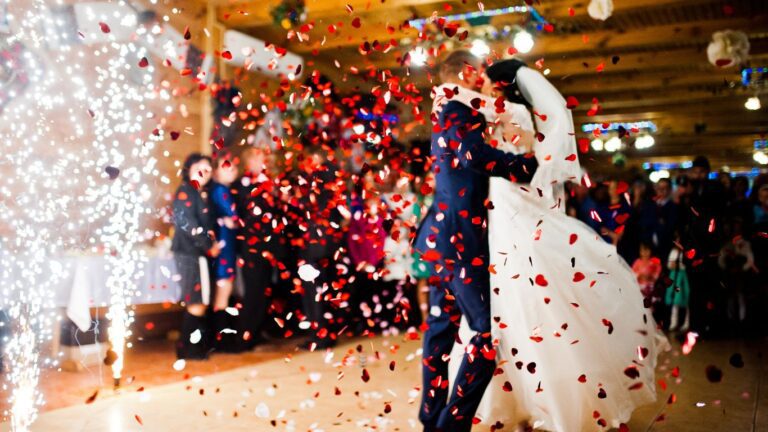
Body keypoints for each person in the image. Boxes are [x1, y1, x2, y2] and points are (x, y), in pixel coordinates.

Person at [436, 58, 665, 431]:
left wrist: (462, 103)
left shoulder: (509, 112)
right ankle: (526, 400)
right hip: (504, 214)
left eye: (488, 81)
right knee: (512, 309)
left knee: (525, 306)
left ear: (502, 87)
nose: (481, 85)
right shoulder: (501, 112)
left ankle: (546, 403)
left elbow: (506, 153)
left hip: (512, 211)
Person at [413, 50, 539, 432]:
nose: (483, 79)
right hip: (460, 241)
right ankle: (450, 425)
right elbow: (472, 154)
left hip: (441, 239)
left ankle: (432, 420)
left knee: (440, 332)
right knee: (487, 334)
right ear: (466, 72)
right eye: (480, 73)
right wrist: (527, 166)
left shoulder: (448, 108)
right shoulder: (457, 108)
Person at [234, 147, 290, 349]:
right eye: (260, 159)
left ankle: (256, 331)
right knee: (253, 292)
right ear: (250, 162)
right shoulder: (243, 185)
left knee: (263, 290)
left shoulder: (264, 184)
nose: (264, 163)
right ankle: (245, 336)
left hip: (267, 247)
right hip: (253, 248)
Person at [172, 153, 219, 360]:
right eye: (200, 167)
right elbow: (189, 224)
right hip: (190, 253)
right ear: (189, 169)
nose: (204, 172)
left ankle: (190, 347)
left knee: (199, 299)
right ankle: (188, 348)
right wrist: (208, 245)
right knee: (197, 299)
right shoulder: (186, 191)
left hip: (194, 252)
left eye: (208, 169)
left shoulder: (197, 192)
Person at [209, 153, 241, 352]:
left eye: (233, 166)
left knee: (223, 293)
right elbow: (233, 218)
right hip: (224, 248)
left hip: (226, 246)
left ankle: (221, 338)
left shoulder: (222, 189)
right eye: (225, 166)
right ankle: (220, 340)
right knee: (223, 292)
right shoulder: (220, 190)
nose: (231, 170)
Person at [665, 238, 690, 332]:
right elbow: (669, 264)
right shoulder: (673, 252)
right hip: (674, 277)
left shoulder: (685, 252)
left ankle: (686, 323)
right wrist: (674, 265)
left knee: (684, 299)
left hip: (682, 278)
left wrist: (678, 265)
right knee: (674, 300)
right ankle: (673, 322)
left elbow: (684, 264)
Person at [654, 177, 678, 263]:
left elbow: (671, 226)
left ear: (670, 190)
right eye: (659, 188)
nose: (661, 190)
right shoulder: (650, 205)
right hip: (650, 247)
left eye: (664, 188)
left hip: (666, 245)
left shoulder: (673, 207)